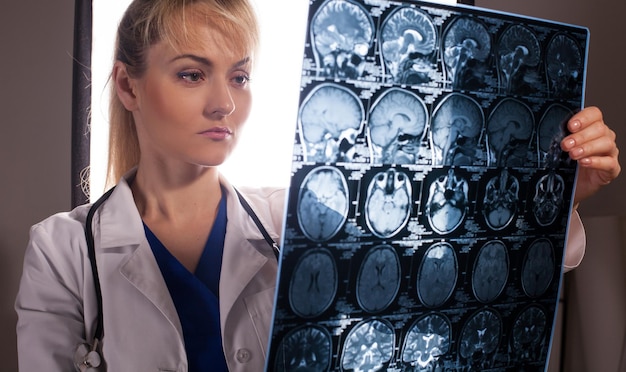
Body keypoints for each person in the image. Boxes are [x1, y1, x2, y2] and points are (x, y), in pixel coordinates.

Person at [14, 0, 620, 371]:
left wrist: (559, 192)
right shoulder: (65, 251)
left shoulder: (302, 214)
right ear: (128, 87)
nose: (225, 103)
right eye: (192, 74)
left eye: (241, 76)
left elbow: (454, 273)